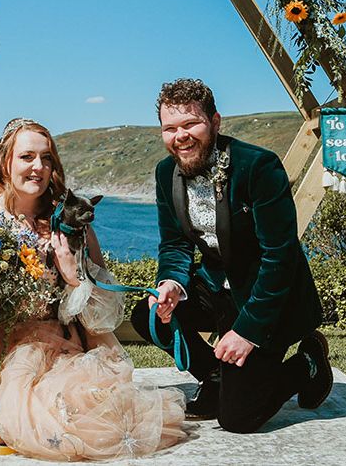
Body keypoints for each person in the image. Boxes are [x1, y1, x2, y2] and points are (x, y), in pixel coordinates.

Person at [0, 118, 187, 461]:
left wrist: (74, 276)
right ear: (6, 162)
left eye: (46, 158)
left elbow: (103, 313)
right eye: (27, 157)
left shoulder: (72, 224)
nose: (38, 167)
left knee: (81, 419)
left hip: (59, 345)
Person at [131, 78, 333, 432]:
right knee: (146, 315)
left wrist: (247, 332)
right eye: (170, 128)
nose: (180, 136)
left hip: (267, 301)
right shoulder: (166, 172)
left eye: (191, 124)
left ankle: (307, 363)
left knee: (237, 419)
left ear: (215, 122)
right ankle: (215, 376)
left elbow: (280, 257)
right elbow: (176, 244)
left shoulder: (259, 167)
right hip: (217, 288)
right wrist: (173, 284)